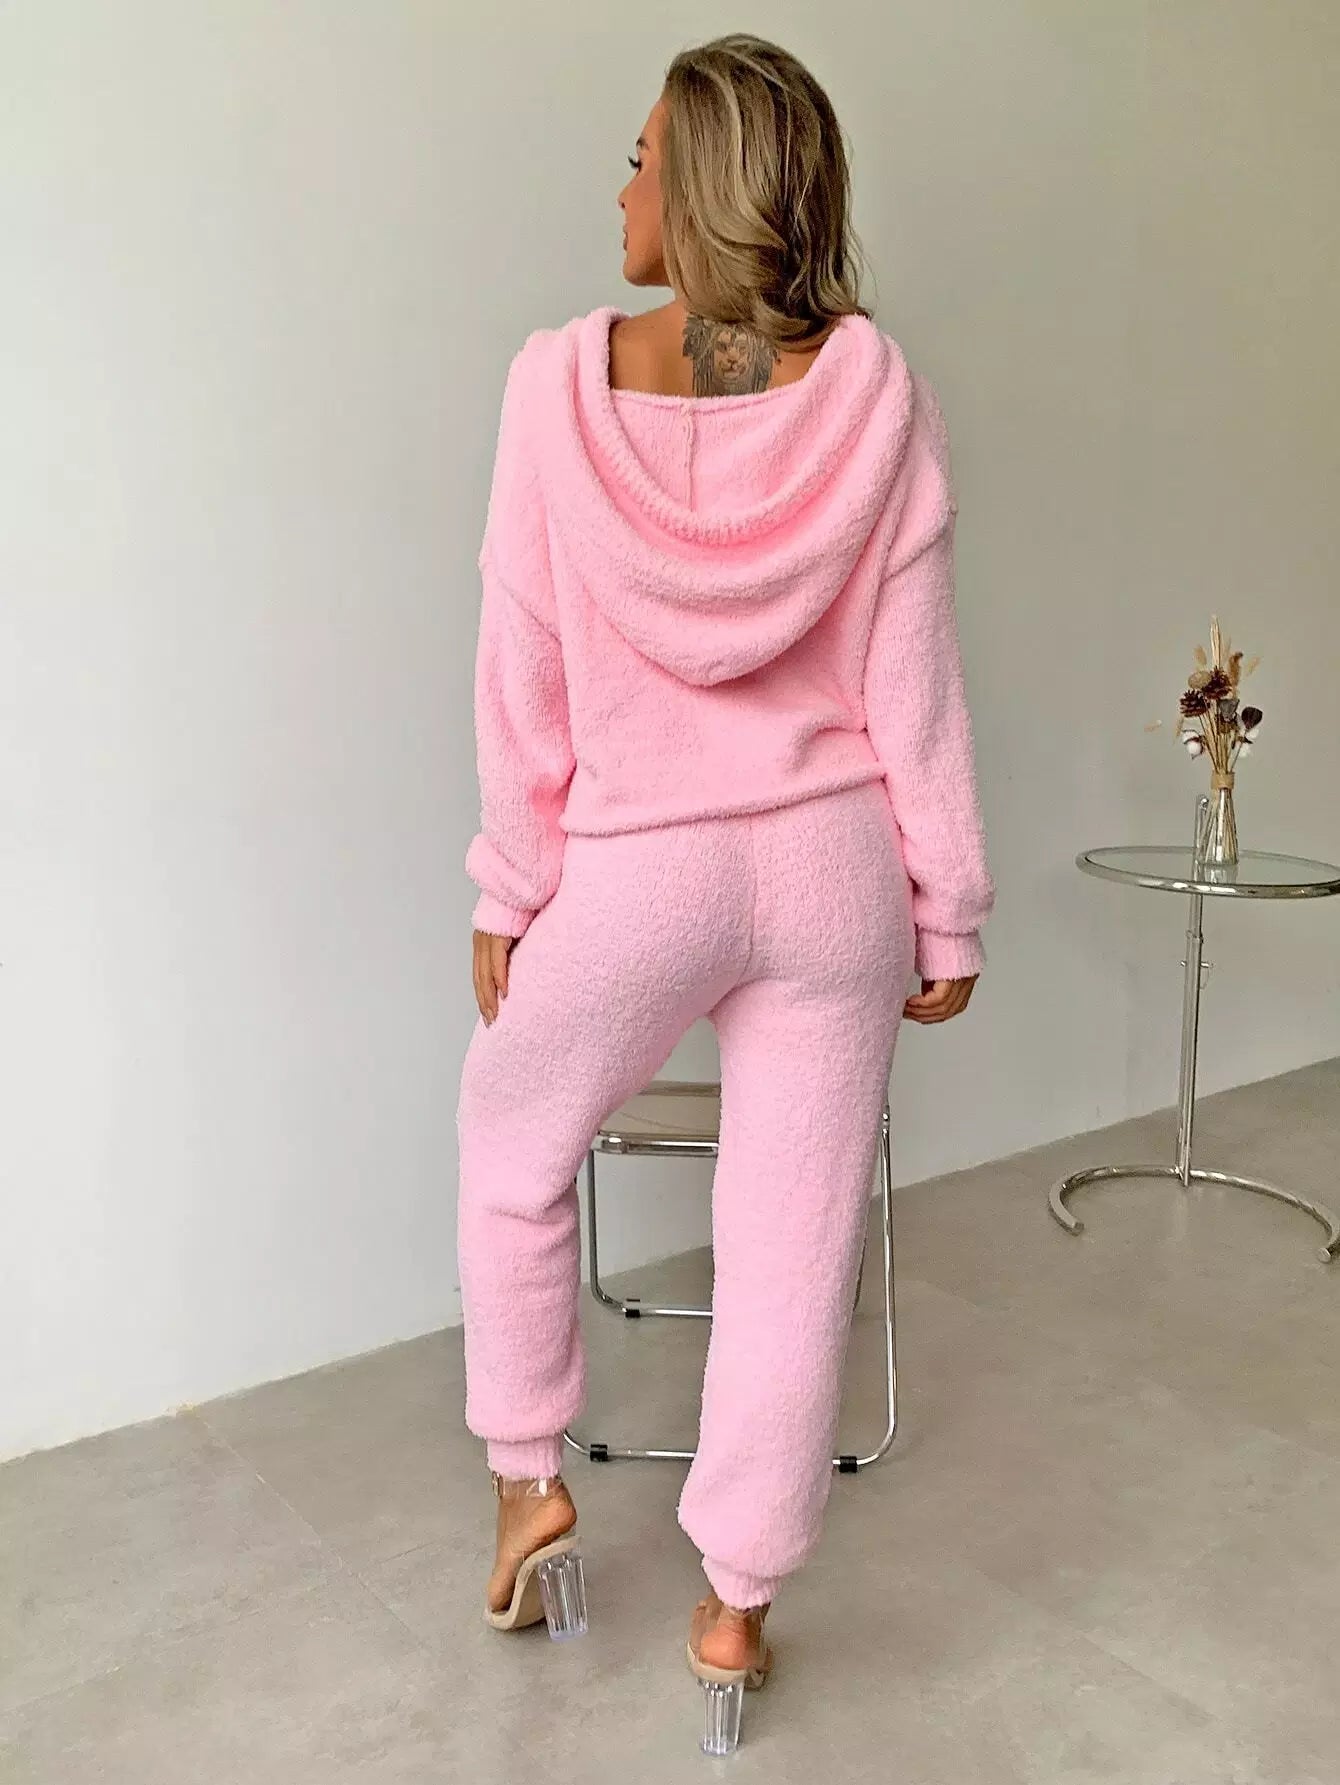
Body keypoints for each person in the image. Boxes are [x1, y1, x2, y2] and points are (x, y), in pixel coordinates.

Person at [456, 31, 994, 1695]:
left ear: (698, 188)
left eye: (641, 158)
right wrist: (947, 901)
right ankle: (736, 1606)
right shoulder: (875, 397)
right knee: (791, 1241)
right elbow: (915, 675)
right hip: (835, 874)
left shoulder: (559, 391)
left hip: (644, 869)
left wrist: (510, 882)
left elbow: (525, 665)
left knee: (509, 1141)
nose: (620, 187)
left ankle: (530, 1480)